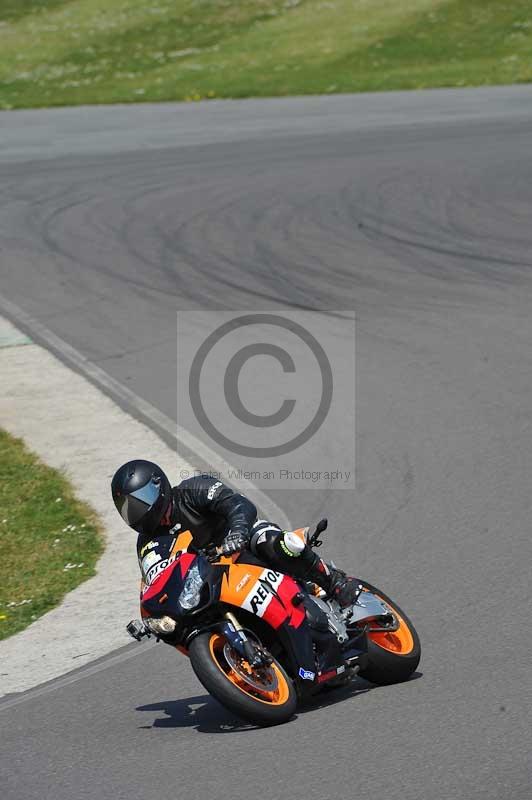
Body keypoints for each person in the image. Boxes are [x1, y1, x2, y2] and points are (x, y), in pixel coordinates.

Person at [111, 459, 360, 606]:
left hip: (243, 541)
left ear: (158, 485)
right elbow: (155, 579)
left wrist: (237, 533)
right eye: (128, 509)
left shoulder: (192, 490)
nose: (137, 512)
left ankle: (334, 581)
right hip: (214, 578)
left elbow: (238, 504)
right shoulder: (147, 542)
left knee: (273, 541)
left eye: (140, 501)